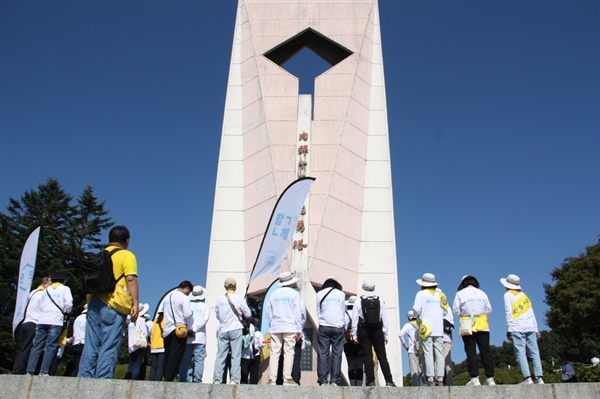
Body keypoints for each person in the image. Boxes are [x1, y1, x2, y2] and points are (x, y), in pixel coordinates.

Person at [78, 226, 139, 379]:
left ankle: (84, 377)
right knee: (109, 344)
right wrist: (135, 303)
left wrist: (89, 302)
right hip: (115, 304)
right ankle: (103, 380)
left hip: (94, 302)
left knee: (91, 344)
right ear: (127, 241)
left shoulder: (99, 255)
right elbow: (130, 279)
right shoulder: (127, 255)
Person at [26, 270, 73, 376]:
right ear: (64, 280)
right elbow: (69, 304)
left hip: (42, 320)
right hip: (56, 320)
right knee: (50, 346)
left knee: (37, 345)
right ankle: (44, 371)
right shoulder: (65, 289)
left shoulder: (46, 290)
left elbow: (41, 304)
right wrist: (65, 311)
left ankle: (30, 370)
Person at [352, 280, 396, 387]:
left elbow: (355, 319)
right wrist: (386, 334)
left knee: (367, 356)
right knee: (382, 356)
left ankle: (370, 381)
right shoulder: (380, 300)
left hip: (364, 330)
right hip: (377, 330)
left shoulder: (359, 301)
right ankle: (389, 380)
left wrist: (354, 334)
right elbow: (384, 318)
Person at [501, 274, 544, 385]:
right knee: (534, 352)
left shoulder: (507, 295)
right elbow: (531, 312)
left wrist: (509, 329)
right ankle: (539, 377)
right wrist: (536, 329)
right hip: (530, 326)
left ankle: (527, 378)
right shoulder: (523, 295)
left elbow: (508, 312)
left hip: (517, 326)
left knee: (521, 353)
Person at [453, 274, 494, 386]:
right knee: (485, 350)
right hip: (483, 324)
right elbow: (489, 309)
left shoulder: (460, 294)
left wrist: (465, 314)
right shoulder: (482, 293)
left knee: (470, 350)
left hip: (467, 323)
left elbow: (456, 310)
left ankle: (474, 377)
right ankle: (490, 377)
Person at [267, 271, 304, 386]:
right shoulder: (294, 294)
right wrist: (299, 329)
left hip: (276, 325)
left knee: (274, 352)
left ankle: (272, 379)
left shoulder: (274, 294)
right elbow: (297, 312)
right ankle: (287, 378)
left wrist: (271, 324)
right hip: (290, 326)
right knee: (289, 351)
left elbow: (269, 311)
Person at [213, 277, 251, 384]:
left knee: (221, 355)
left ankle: (217, 379)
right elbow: (248, 314)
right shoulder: (239, 298)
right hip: (235, 328)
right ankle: (234, 379)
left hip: (223, 329)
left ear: (225, 286)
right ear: (235, 286)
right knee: (236, 355)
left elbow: (217, 314)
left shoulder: (219, 299)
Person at [412, 273, 447, 386]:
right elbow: (446, 311)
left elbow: (416, 310)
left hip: (426, 328)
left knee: (428, 353)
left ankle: (430, 378)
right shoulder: (441, 294)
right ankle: (440, 378)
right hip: (439, 328)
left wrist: (417, 315)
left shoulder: (421, 294)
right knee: (439, 353)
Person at [12, 276, 51, 374]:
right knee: (29, 348)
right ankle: (19, 370)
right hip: (34, 323)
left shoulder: (32, 293)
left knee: (24, 347)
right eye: (50, 285)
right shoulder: (43, 294)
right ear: (44, 284)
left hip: (25, 322)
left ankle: (18, 368)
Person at [316, 276, 346, 386]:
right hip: (338, 326)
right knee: (337, 354)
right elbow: (342, 310)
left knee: (323, 353)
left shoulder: (319, 294)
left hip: (324, 325)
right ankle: (335, 380)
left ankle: (323, 380)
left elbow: (318, 311)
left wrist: (323, 320)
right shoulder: (341, 294)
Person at [162, 281, 193, 381]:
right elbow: (187, 314)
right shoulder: (184, 298)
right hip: (179, 330)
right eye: (189, 291)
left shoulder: (167, 297)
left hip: (167, 329)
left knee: (167, 354)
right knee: (175, 356)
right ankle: (169, 378)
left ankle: (165, 375)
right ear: (186, 288)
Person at [179, 285, 210, 383]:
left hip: (188, 335)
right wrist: (196, 329)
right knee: (199, 359)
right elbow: (205, 319)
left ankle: (183, 378)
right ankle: (197, 379)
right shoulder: (205, 306)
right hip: (200, 336)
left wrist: (189, 329)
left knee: (185, 359)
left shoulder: (188, 305)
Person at [125, 303, 150, 380]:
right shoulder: (141, 320)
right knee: (137, 364)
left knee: (131, 365)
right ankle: (133, 381)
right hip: (139, 344)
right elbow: (145, 333)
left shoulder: (130, 321)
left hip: (131, 345)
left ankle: (127, 380)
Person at [344, 296, 365, 386]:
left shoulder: (344, 314)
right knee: (360, 365)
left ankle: (352, 385)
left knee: (351, 365)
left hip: (347, 342)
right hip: (359, 342)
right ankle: (359, 385)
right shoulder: (361, 314)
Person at [63, 304, 87, 376]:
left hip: (75, 342)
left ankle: (66, 376)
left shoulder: (77, 318)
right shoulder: (88, 318)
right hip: (83, 342)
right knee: (79, 364)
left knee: (72, 362)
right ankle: (76, 378)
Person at [399, 310, 421, 386]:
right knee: (423, 370)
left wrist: (405, 345)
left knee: (414, 371)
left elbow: (400, 334)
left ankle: (416, 388)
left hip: (412, 350)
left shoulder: (407, 325)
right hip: (422, 349)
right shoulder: (420, 324)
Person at [241, 319, 264, 384]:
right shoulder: (258, 333)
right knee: (254, 374)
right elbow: (262, 344)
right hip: (255, 354)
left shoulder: (242, 329)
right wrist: (258, 347)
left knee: (244, 374)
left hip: (244, 354)